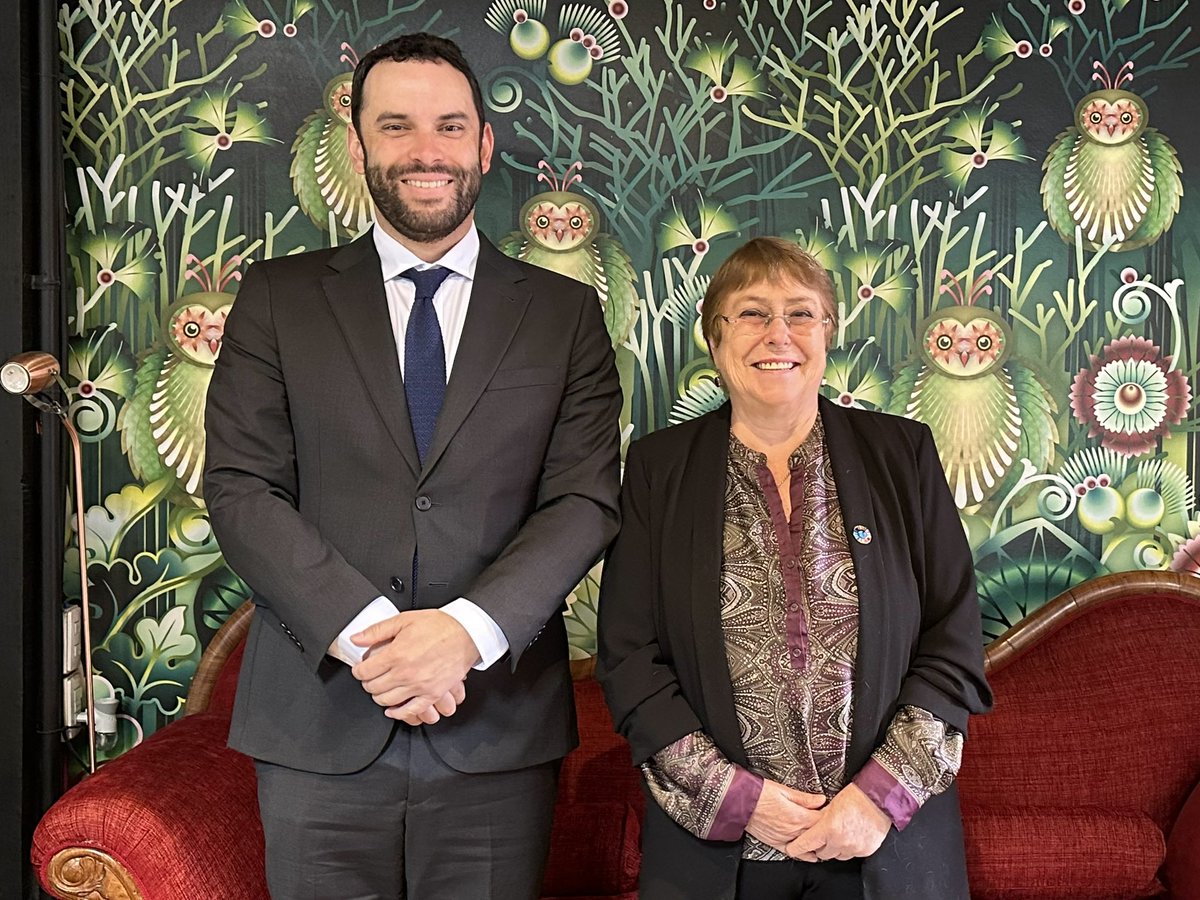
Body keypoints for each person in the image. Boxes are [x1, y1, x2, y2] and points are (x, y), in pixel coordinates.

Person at [203, 33, 622, 899]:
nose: (425, 151)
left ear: (484, 145)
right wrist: (375, 641)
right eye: (396, 127)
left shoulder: (564, 315)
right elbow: (242, 488)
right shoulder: (278, 299)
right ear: (357, 146)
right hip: (318, 733)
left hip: (497, 733)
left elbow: (583, 499)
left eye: (448, 126)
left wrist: (463, 635)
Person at [596, 237, 992, 899]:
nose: (778, 334)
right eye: (752, 313)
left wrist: (876, 800)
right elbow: (629, 656)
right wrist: (741, 800)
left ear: (828, 333)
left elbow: (953, 641)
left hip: (883, 846)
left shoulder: (903, 455)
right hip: (719, 854)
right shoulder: (658, 469)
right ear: (715, 340)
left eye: (801, 314)